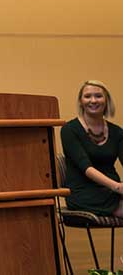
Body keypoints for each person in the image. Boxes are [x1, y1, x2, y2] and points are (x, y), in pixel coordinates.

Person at [61, 80, 123, 217]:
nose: (93, 100)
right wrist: (117, 187)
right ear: (80, 101)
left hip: (112, 191)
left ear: (106, 100)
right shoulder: (69, 130)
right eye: (88, 96)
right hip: (83, 193)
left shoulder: (117, 132)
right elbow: (86, 168)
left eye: (98, 96)